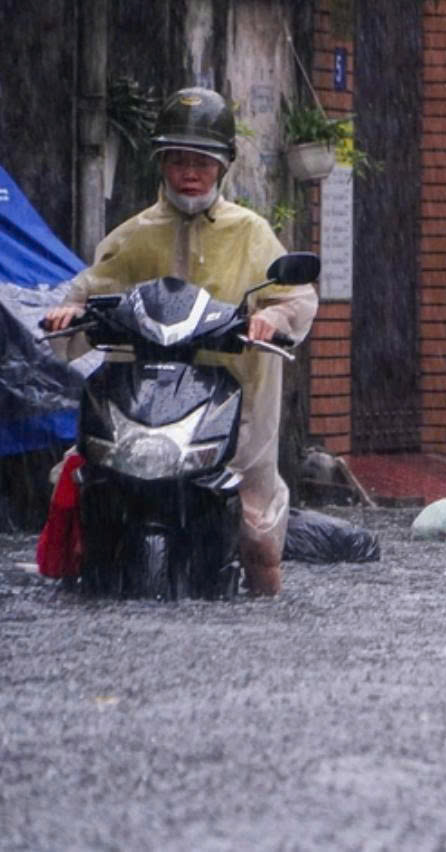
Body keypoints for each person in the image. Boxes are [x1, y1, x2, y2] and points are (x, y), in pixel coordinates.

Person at [43, 86, 318, 596]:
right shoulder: (133, 235)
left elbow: (298, 298)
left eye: (203, 162)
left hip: (236, 403)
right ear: (161, 165)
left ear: (223, 167)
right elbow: (89, 290)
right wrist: (70, 313)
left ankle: (268, 618)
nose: (190, 173)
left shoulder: (252, 233)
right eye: (178, 160)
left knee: (257, 533)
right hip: (143, 398)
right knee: (90, 490)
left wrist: (271, 318)